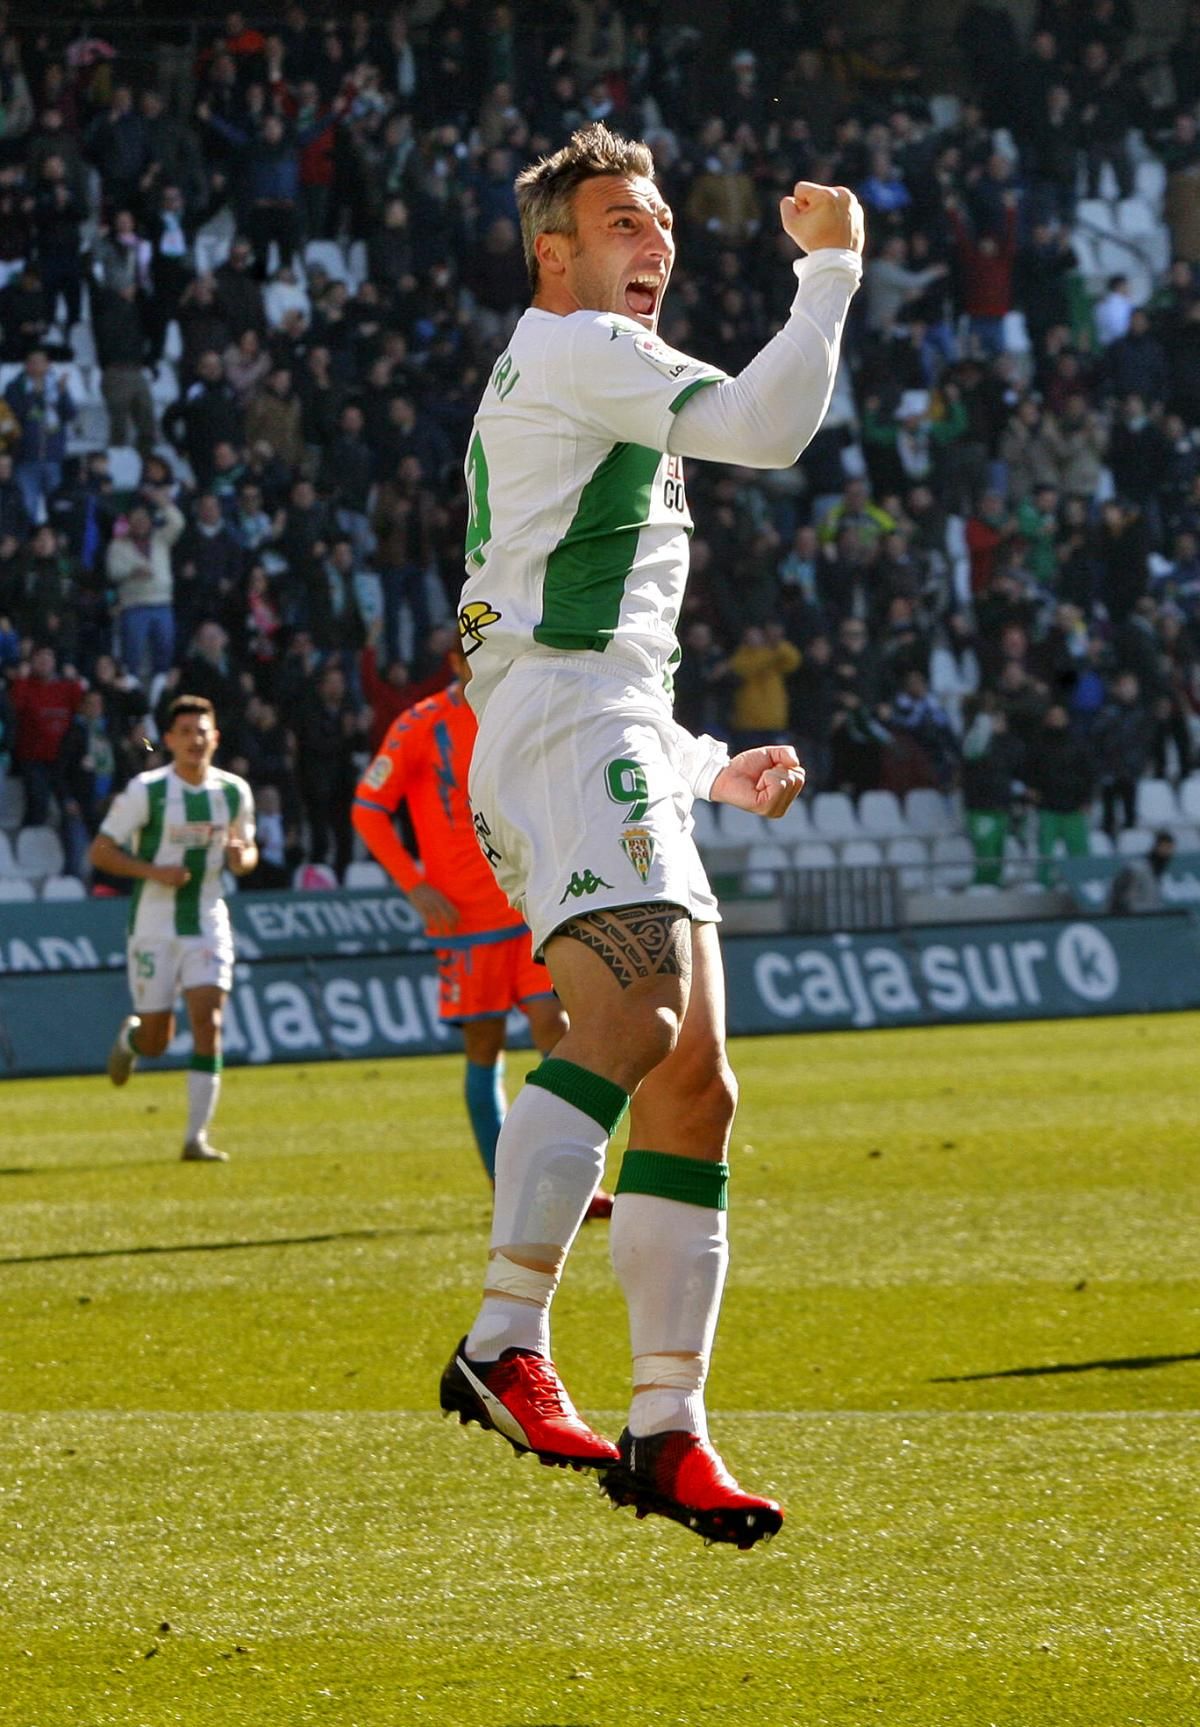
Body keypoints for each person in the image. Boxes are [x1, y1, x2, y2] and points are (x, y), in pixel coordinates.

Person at [439, 123, 863, 1550]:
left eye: (664, 218)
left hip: (596, 725)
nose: (657, 239)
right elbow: (770, 425)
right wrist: (832, 275)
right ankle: (505, 1333)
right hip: (565, 727)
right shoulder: (578, 351)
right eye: (623, 221)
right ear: (553, 252)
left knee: (696, 1085)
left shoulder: (587, 379)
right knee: (641, 1010)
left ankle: (667, 1425)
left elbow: (593, 630)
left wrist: (692, 769)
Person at [351, 646, 612, 1215]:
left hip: (527, 908)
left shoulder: (520, 710)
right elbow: (368, 808)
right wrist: (415, 884)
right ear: (454, 659)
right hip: (465, 922)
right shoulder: (420, 724)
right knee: (484, 1045)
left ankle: (571, 1176)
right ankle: (508, 1185)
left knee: (559, 1028)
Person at [88, 695, 258, 1162]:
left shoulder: (233, 792)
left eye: (202, 731)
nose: (194, 740)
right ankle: (133, 1037)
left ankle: (195, 1139)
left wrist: (242, 859)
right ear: (168, 740)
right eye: (184, 732)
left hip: (207, 916)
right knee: (158, 1041)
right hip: (153, 923)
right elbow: (100, 852)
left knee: (209, 1019)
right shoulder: (147, 791)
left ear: (215, 737)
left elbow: (247, 850)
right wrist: (152, 871)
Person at [1109, 828, 1176, 913]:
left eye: (1170, 848)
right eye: (1164, 847)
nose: (1167, 852)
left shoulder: (1158, 871)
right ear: (1156, 846)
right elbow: (1125, 900)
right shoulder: (1137, 869)